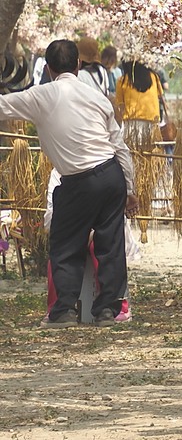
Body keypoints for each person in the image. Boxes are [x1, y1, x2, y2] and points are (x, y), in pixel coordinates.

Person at [0, 39, 139, 328]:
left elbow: (3, 107)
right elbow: (120, 146)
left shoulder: (41, 96)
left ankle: (63, 311)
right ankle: (106, 311)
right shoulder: (98, 97)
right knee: (110, 244)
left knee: (65, 244)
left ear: (48, 68)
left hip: (78, 180)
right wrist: (130, 189)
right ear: (78, 66)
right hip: (111, 174)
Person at [42, 168, 138, 323]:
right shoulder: (59, 171)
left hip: (99, 232)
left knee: (103, 244)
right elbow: (50, 217)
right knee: (60, 250)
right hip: (71, 231)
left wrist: (90, 232)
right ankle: (59, 307)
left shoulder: (108, 168)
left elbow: (113, 218)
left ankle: (112, 306)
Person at [114, 59, 164, 138]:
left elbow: (120, 106)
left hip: (132, 124)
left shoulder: (122, 81)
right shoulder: (153, 77)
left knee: (133, 149)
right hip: (153, 121)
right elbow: (160, 96)